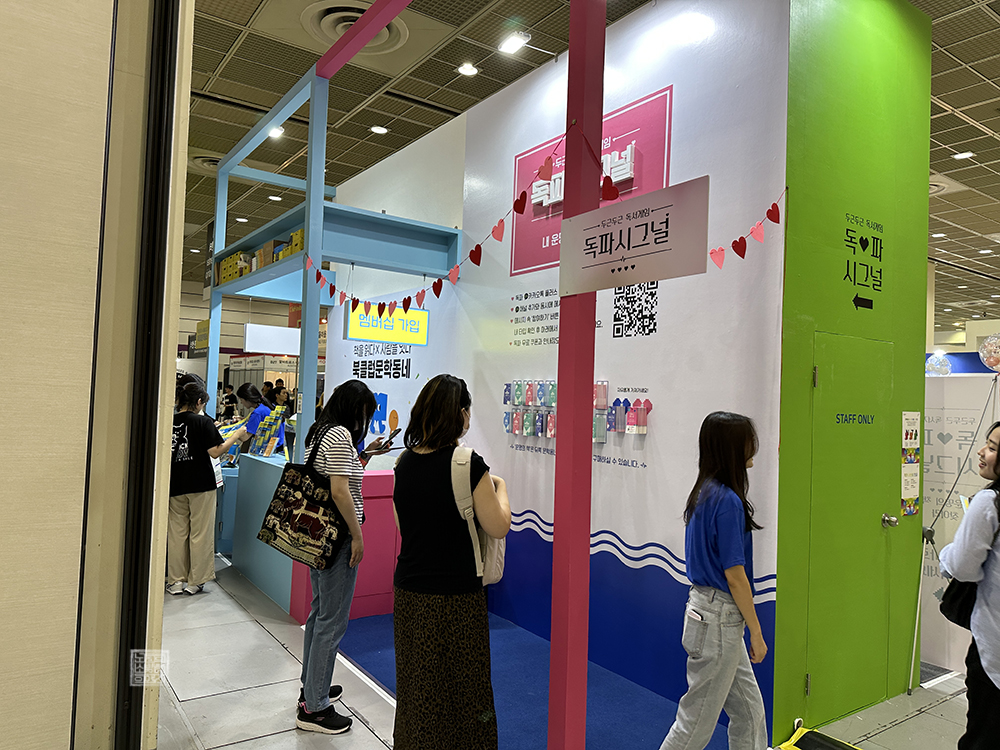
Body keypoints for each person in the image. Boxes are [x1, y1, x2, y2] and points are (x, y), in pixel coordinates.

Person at [391, 374, 511, 750]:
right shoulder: (467, 464)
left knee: (418, 687)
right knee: (467, 691)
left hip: (410, 592)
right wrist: (501, 489)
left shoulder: (404, 462)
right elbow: (498, 525)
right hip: (457, 597)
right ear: (460, 414)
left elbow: (404, 525)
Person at [658, 411, 767, 750]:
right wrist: (757, 632)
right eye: (747, 442)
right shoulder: (728, 502)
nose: (753, 448)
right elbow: (735, 577)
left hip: (709, 614)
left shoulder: (704, 492)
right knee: (694, 725)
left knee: (749, 713)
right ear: (732, 448)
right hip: (720, 620)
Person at [296, 380, 390, 734]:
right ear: (355, 409)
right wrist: (358, 535)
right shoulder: (339, 435)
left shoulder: (320, 431)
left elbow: (340, 477)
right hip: (337, 537)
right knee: (332, 622)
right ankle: (315, 708)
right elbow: (339, 490)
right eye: (366, 412)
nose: (366, 420)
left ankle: (311, 687)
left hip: (318, 535)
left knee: (320, 613)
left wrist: (367, 455)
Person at [939, 421, 1000, 749]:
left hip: (994, 654)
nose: (981, 452)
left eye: (992, 448)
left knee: (983, 735)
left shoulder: (990, 502)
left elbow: (963, 567)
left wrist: (946, 554)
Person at [168, 381, 246, 595]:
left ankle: (175, 581)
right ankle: (196, 581)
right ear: (199, 401)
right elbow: (215, 451)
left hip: (175, 483)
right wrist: (235, 436)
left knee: (177, 533)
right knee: (200, 533)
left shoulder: (169, 421)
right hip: (201, 483)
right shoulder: (203, 422)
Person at [236, 382, 283, 453]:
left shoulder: (257, 413)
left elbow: (245, 438)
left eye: (241, 400)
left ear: (247, 398)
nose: (241, 403)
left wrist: (232, 431)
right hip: (279, 446)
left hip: (270, 449)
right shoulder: (266, 406)